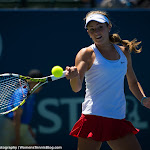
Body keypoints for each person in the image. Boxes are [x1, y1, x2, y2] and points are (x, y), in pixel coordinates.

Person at [65, 10, 150, 150]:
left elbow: (133, 82)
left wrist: (143, 98)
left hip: (117, 117)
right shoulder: (86, 53)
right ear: (88, 32)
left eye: (100, 27)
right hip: (93, 116)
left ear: (109, 27)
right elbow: (76, 87)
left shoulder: (124, 52)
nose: (97, 32)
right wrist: (73, 77)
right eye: (92, 29)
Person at [0, 69, 43, 146]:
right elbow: (16, 115)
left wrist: (28, 129)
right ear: (33, 82)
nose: (41, 87)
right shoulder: (22, 93)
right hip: (10, 127)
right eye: (40, 84)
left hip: (22, 127)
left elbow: (24, 115)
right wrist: (17, 137)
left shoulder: (32, 94)